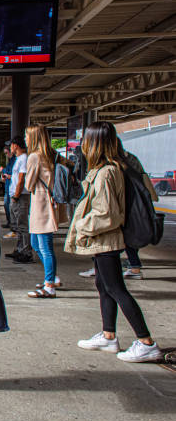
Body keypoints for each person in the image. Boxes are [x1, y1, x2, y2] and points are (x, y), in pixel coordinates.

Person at [65, 122, 162, 363]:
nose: (83, 145)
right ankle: (108, 335)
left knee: (116, 288)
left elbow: (108, 214)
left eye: (86, 140)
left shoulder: (108, 172)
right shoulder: (109, 168)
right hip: (103, 241)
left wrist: (81, 225)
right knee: (104, 285)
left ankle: (145, 341)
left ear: (95, 143)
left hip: (106, 239)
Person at [79, 139, 159, 280]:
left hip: (121, 205)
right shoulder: (130, 158)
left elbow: (104, 208)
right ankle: (133, 266)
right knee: (128, 237)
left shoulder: (109, 167)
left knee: (108, 242)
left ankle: (103, 268)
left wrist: (81, 225)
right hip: (131, 204)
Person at [23, 125, 67, 297]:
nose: (25, 139)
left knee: (45, 246)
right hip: (49, 202)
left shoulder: (34, 157)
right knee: (35, 243)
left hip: (41, 205)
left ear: (33, 138)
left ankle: (50, 285)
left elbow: (28, 184)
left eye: (27, 136)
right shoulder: (53, 155)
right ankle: (52, 277)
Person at [5, 136, 33, 264]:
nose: (10, 147)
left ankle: (26, 252)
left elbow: (22, 179)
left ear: (15, 145)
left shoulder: (24, 159)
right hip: (17, 195)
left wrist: (16, 196)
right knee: (17, 225)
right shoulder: (19, 159)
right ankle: (20, 249)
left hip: (20, 196)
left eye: (11, 145)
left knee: (22, 225)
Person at [1, 144, 16, 232]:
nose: (6, 155)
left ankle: (12, 224)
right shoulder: (11, 160)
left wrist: (3, 171)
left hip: (11, 186)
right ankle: (10, 223)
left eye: (6, 153)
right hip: (8, 186)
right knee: (7, 205)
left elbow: (10, 172)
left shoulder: (14, 160)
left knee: (10, 206)